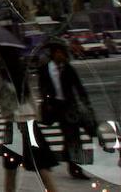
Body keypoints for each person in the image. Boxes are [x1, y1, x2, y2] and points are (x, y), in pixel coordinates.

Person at [0, 48, 57, 192]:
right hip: (29, 123)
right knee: (41, 166)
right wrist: (37, 117)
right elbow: (31, 98)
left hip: (12, 124)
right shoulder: (20, 73)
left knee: (11, 168)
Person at [38, 42, 95, 179]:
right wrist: (47, 100)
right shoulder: (46, 69)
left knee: (73, 137)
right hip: (55, 107)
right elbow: (42, 87)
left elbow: (78, 86)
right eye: (57, 53)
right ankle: (69, 158)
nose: (60, 55)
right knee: (69, 136)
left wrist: (86, 103)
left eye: (62, 53)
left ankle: (75, 167)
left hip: (70, 107)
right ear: (53, 54)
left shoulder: (68, 68)